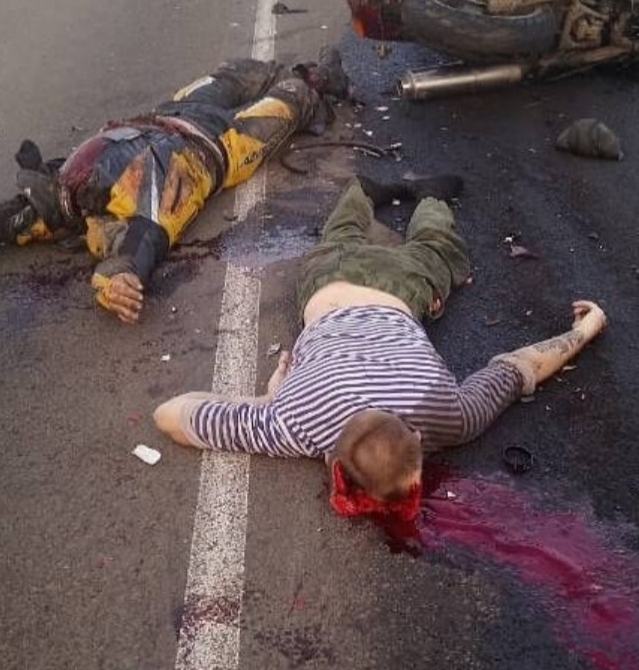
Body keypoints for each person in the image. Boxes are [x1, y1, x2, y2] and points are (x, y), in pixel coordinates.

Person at [154, 176, 608, 518]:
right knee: (342, 242)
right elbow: (174, 415)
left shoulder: (446, 416)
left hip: (398, 288)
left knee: (434, 249)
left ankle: (384, 195)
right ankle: (409, 198)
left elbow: (520, 365)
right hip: (324, 285)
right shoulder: (290, 422)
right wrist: (270, 400)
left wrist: (587, 329)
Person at [0, 51, 349, 323]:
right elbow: (140, 246)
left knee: (235, 72)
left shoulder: (64, 196)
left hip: (170, 113)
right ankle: (319, 75)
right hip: (221, 145)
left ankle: (296, 70)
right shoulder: (119, 210)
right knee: (293, 95)